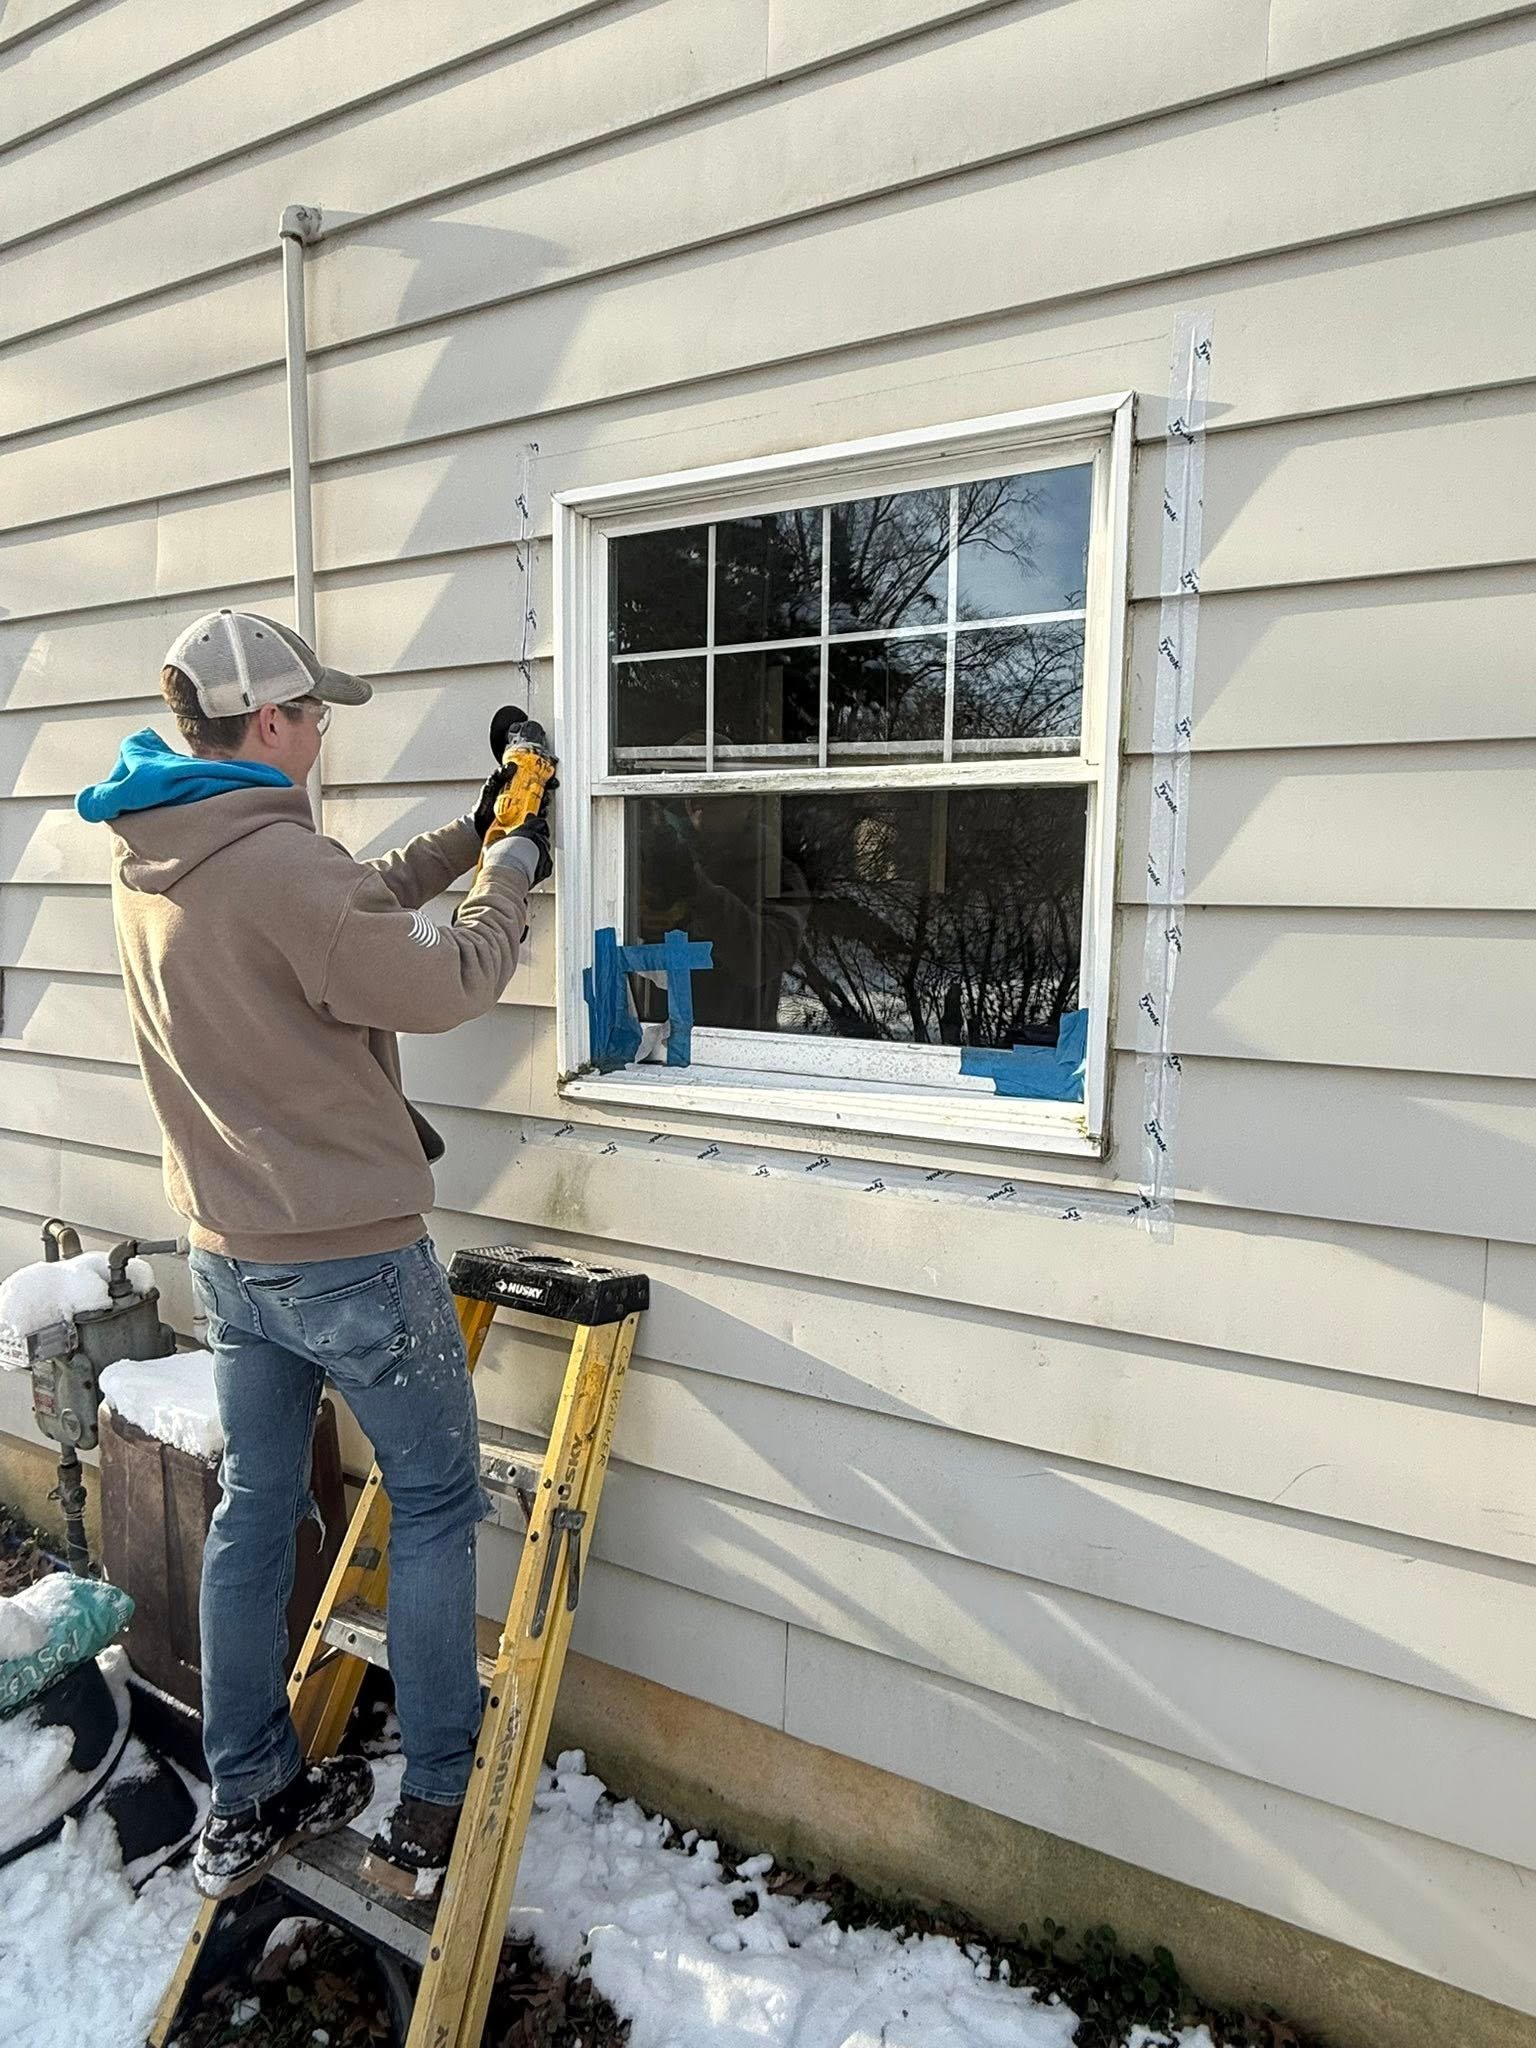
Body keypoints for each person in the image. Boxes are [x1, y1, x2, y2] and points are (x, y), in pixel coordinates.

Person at [75, 608, 553, 1902]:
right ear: (271, 720)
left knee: (254, 1512)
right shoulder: (278, 865)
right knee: (437, 1505)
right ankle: (436, 1800)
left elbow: (343, 913)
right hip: (350, 1261)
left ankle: (249, 1792)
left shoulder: (161, 849)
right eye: (316, 713)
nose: (326, 732)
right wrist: (515, 864)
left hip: (233, 1256)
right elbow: (444, 979)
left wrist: (470, 832)